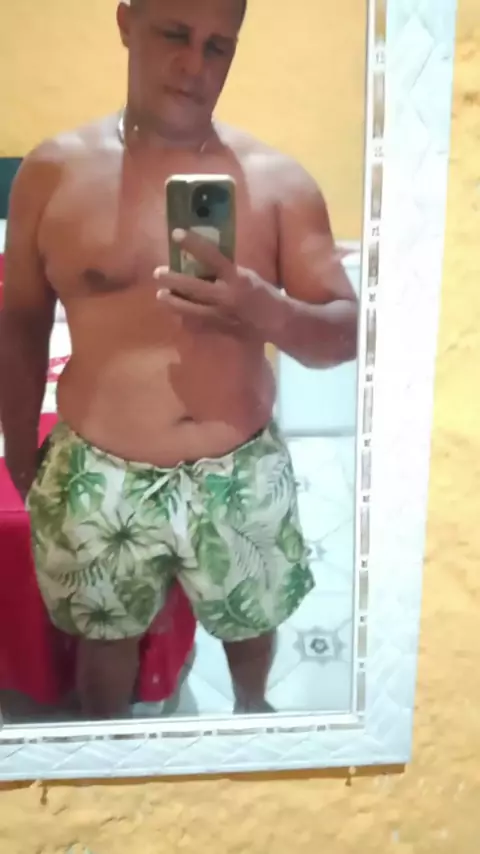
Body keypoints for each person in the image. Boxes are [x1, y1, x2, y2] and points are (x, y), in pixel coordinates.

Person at [0, 0, 358, 718]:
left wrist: (263, 306)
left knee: (251, 627)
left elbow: (345, 334)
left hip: (239, 468)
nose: (196, 66)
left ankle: (252, 711)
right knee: (104, 642)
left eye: (219, 46)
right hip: (97, 469)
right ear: (126, 21)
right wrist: (17, 447)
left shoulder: (279, 184)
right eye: (175, 34)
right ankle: (109, 745)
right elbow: (21, 321)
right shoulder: (51, 173)